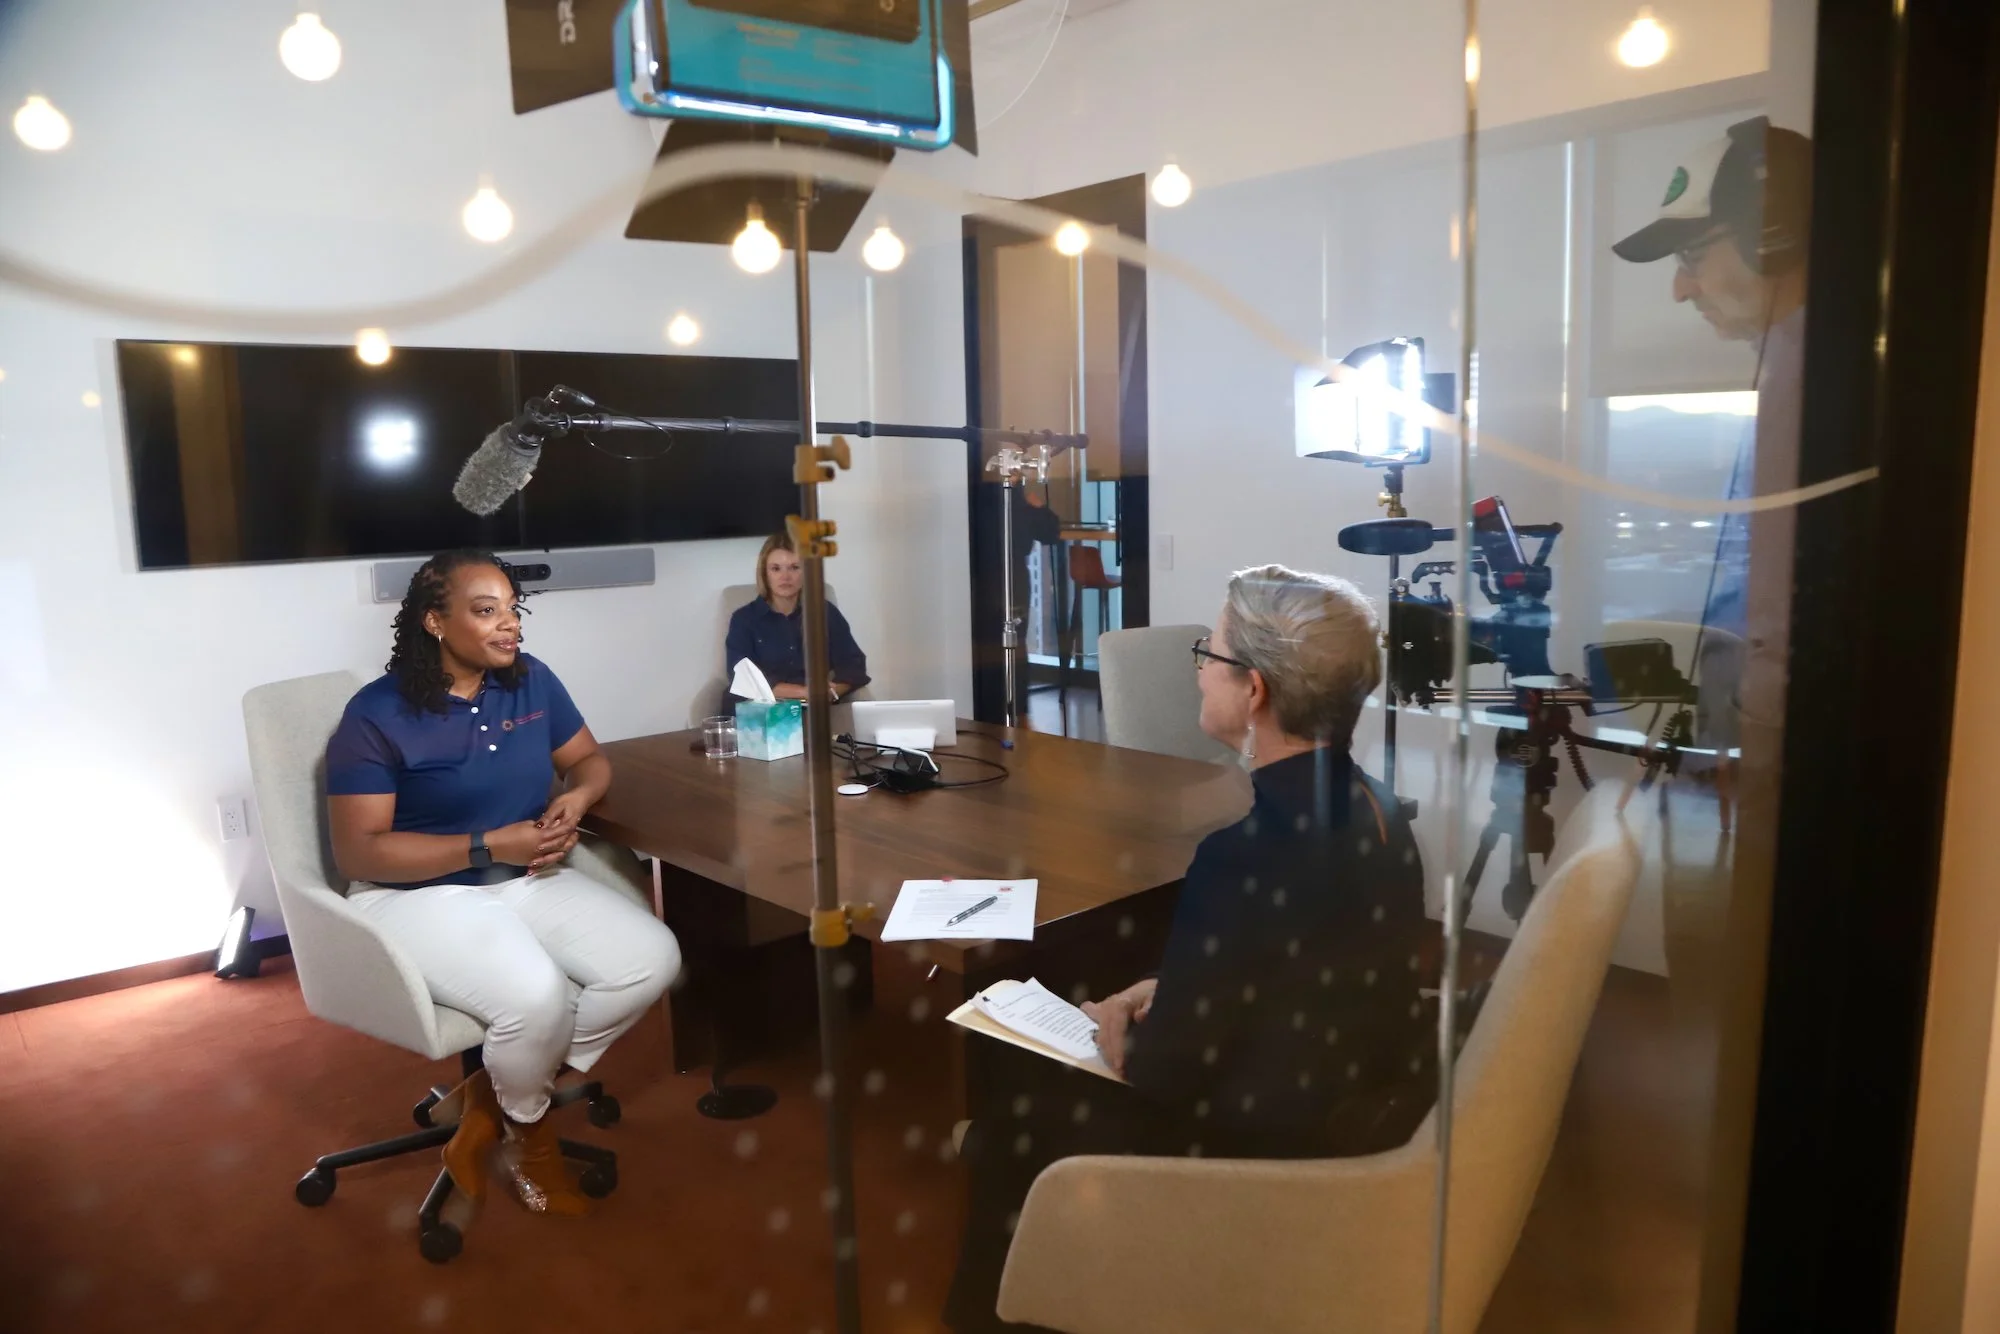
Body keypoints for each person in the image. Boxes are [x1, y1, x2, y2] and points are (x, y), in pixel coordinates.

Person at [945, 565, 1434, 1334]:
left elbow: (1163, 1072)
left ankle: (1007, 1310)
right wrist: (1166, 985)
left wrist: (1122, 1022)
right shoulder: (1378, 807)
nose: (1200, 669)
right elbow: (1300, 960)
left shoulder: (1242, 856)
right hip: (1342, 1092)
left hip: (1261, 1145)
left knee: (1017, 1096)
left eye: (1211, 653)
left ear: (1255, 690)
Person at [325, 549, 681, 1217]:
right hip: (413, 896)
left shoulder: (530, 680)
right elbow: (359, 851)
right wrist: (488, 843)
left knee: (651, 960)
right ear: (435, 621)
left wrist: (575, 797)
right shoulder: (376, 714)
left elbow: (589, 759)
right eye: (486, 611)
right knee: (537, 999)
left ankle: (488, 1103)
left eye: (512, 610)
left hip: (522, 876)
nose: (509, 624)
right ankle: (530, 1140)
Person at [725, 532, 870, 702]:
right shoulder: (744, 619)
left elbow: (854, 665)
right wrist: (804, 692)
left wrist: (832, 692)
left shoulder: (823, 612)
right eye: (776, 568)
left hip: (815, 708)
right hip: (762, 709)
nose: (785, 577)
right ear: (765, 574)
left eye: (794, 567)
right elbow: (741, 677)